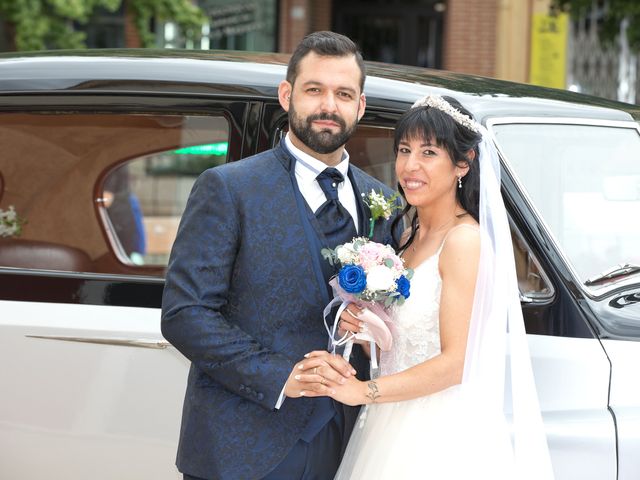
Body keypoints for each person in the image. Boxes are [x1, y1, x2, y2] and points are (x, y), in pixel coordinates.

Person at [161, 31, 401, 480]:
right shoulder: (229, 188)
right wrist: (281, 376)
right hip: (243, 444)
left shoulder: (383, 203)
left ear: (360, 107)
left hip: (351, 444)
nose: (329, 105)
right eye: (315, 90)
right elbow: (185, 313)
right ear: (287, 96)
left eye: (343, 94)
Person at [302, 95, 554, 479]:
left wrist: (363, 392)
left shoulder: (464, 241)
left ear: (463, 164)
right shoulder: (405, 238)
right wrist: (366, 329)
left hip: (439, 434)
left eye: (428, 152)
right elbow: (403, 340)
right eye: (404, 150)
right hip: (389, 423)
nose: (410, 166)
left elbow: (456, 363)